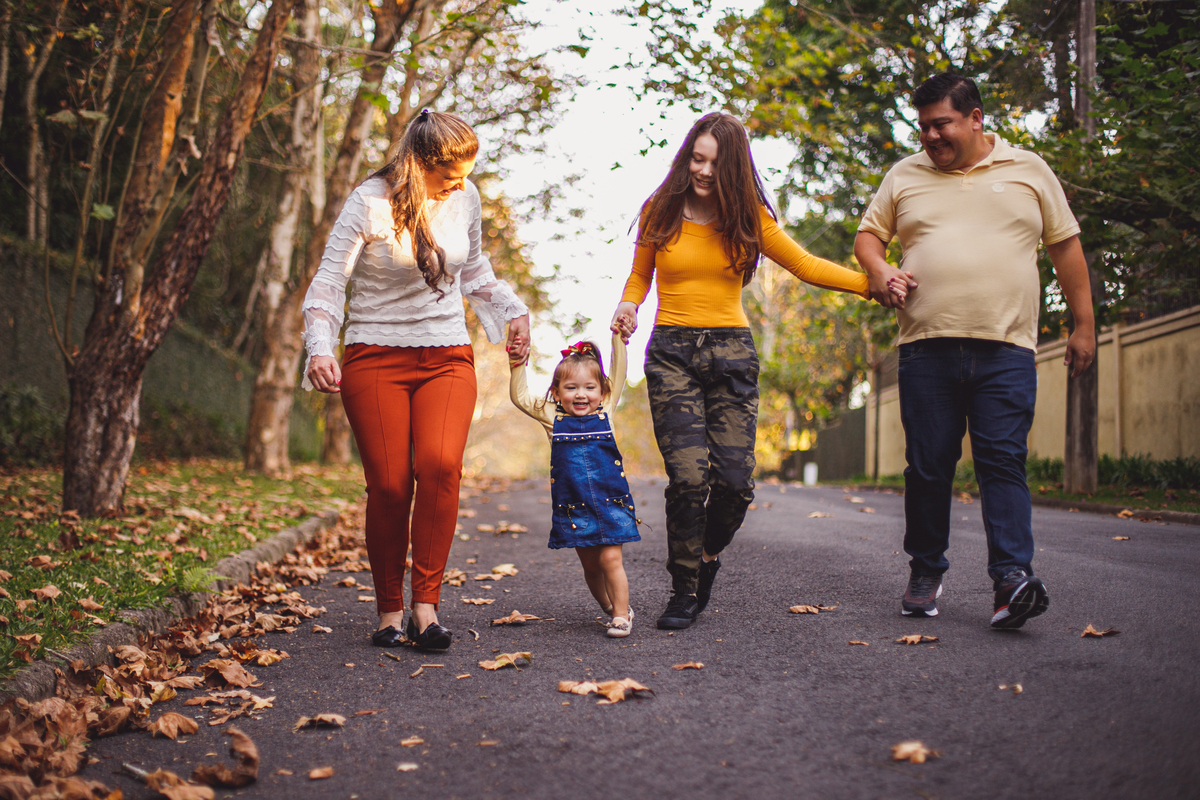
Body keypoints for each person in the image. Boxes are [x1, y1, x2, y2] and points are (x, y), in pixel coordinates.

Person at [611, 112, 888, 631]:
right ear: (686, 156)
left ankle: (707, 557)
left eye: (716, 163)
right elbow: (639, 275)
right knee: (689, 479)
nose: (704, 171)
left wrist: (871, 284)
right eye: (697, 158)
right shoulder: (660, 209)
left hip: (731, 354)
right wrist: (628, 306)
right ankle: (683, 588)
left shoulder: (748, 216)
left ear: (734, 166)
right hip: (671, 352)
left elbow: (805, 265)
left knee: (735, 483)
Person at [854, 73, 1096, 629]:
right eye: (923, 127)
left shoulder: (1029, 170)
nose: (931, 136)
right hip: (925, 348)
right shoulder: (904, 174)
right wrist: (881, 268)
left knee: (1002, 463)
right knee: (929, 467)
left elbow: (1066, 248)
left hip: (1006, 348)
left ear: (976, 118)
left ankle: (1012, 579)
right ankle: (925, 569)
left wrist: (1084, 326)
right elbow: (870, 237)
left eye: (942, 124)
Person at [302, 110, 531, 651]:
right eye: (450, 175)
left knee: (441, 465)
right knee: (389, 484)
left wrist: (512, 310)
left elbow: (474, 271)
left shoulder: (465, 199)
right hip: (375, 353)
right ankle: (388, 610)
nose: (459, 185)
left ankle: (425, 610)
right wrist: (319, 347)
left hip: (446, 353)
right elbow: (330, 282)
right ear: (420, 163)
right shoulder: (369, 202)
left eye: (465, 175)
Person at [509, 336, 641, 637]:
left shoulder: (606, 411)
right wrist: (517, 362)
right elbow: (520, 396)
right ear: (556, 392)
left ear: (602, 390)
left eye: (589, 387)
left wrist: (618, 339)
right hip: (574, 507)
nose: (580, 395)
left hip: (611, 502)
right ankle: (610, 608)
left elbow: (619, 370)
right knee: (592, 567)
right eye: (571, 388)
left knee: (610, 558)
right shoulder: (552, 418)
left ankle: (622, 615)